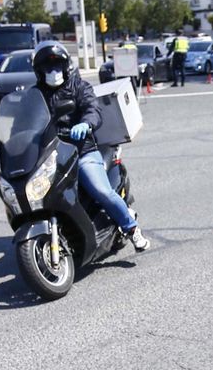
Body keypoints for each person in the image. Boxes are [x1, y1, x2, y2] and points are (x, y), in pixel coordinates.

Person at [32, 43, 149, 252]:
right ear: (39, 70)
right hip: (52, 156)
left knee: (100, 191)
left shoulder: (79, 87)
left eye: (57, 65)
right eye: (47, 67)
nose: (53, 71)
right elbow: (24, 120)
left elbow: (92, 109)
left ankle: (131, 228)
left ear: (66, 66)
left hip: (82, 151)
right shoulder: (36, 94)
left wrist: (85, 124)